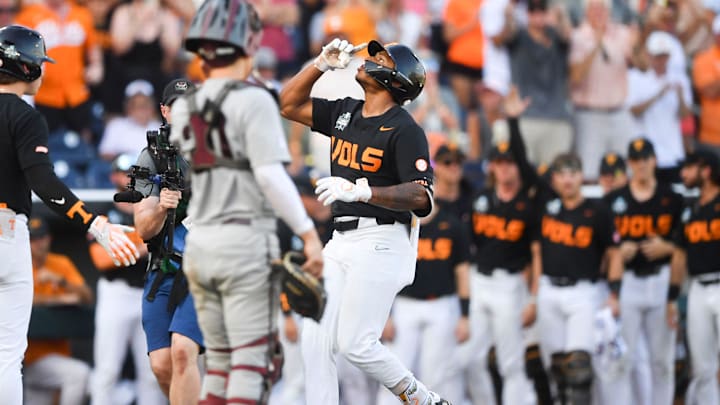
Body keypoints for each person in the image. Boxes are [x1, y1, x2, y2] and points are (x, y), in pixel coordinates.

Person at [169, 0, 324, 402]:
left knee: (218, 365)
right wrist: (308, 234)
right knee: (252, 366)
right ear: (248, 42)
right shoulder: (255, 99)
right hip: (242, 242)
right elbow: (270, 176)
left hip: (200, 246)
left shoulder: (186, 105)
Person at [281, 34, 448, 403]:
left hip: (382, 240)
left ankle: (420, 397)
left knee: (355, 343)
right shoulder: (346, 112)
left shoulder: (406, 130)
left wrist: (364, 191)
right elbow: (288, 104)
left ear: (396, 80)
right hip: (340, 240)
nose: (370, 59)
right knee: (314, 335)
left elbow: (422, 195)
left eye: (382, 60)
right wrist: (319, 65)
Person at [0, 24, 138, 405]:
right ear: (26, 67)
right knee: (7, 356)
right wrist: (93, 221)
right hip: (5, 231)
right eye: (38, 63)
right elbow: (42, 181)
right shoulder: (25, 115)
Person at [133, 78, 204, 405]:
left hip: (206, 268)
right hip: (165, 265)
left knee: (182, 352)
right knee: (161, 364)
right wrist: (162, 205)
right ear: (164, 110)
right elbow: (143, 229)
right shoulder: (150, 157)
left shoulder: (216, 151)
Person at [533, 152, 623, 405]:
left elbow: (614, 254)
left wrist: (615, 294)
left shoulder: (598, 211)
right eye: (561, 174)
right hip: (549, 289)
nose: (568, 179)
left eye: (572, 173)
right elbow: (537, 251)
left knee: (579, 368)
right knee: (556, 367)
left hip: (584, 292)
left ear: (582, 176)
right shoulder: (548, 207)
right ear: (554, 179)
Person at [603, 137, 684, 405]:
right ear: (629, 164)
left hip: (660, 281)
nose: (641, 165)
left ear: (655, 160)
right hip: (628, 283)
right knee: (623, 358)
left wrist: (668, 247)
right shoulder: (615, 200)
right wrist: (618, 250)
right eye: (636, 160)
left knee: (662, 361)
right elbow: (602, 247)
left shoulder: (672, 198)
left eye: (646, 159)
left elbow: (686, 245)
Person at [88, 154, 166, 405]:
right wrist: (145, 244)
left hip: (147, 292)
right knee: (108, 369)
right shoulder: (104, 213)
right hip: (116, 293)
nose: (129, 178)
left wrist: (133, 246)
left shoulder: (150, 210)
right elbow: (102, 259)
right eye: (124, 173)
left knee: (151, 371)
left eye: (134, 172)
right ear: (113, 176)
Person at [377, 200, 471, 405]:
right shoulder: (398, 223)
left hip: (442, 304)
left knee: (437, 376)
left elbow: (462, 271)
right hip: (404, 304)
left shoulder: (452, 224)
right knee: (392, 375)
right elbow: (385, 272)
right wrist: (385, 315)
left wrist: (465, 315)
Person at [23, 216, 93, 405]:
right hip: (25, 358)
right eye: (33, 239)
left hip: (56, 355)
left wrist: (61, 281)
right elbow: (17, 301)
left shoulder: (60, 263)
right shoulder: (19, 265)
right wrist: (56, 300)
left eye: (41, 238)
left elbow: (87, 296)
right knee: (79, 374)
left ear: (49, 238)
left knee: (77, 375)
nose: (38, 244)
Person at [669, 149, 720, 405]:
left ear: (706, 170)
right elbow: (679, 254)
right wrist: (672, 298)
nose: (684, 174)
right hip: (698, 287)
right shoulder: (690, 208)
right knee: (702, 367)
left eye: (690, 168)